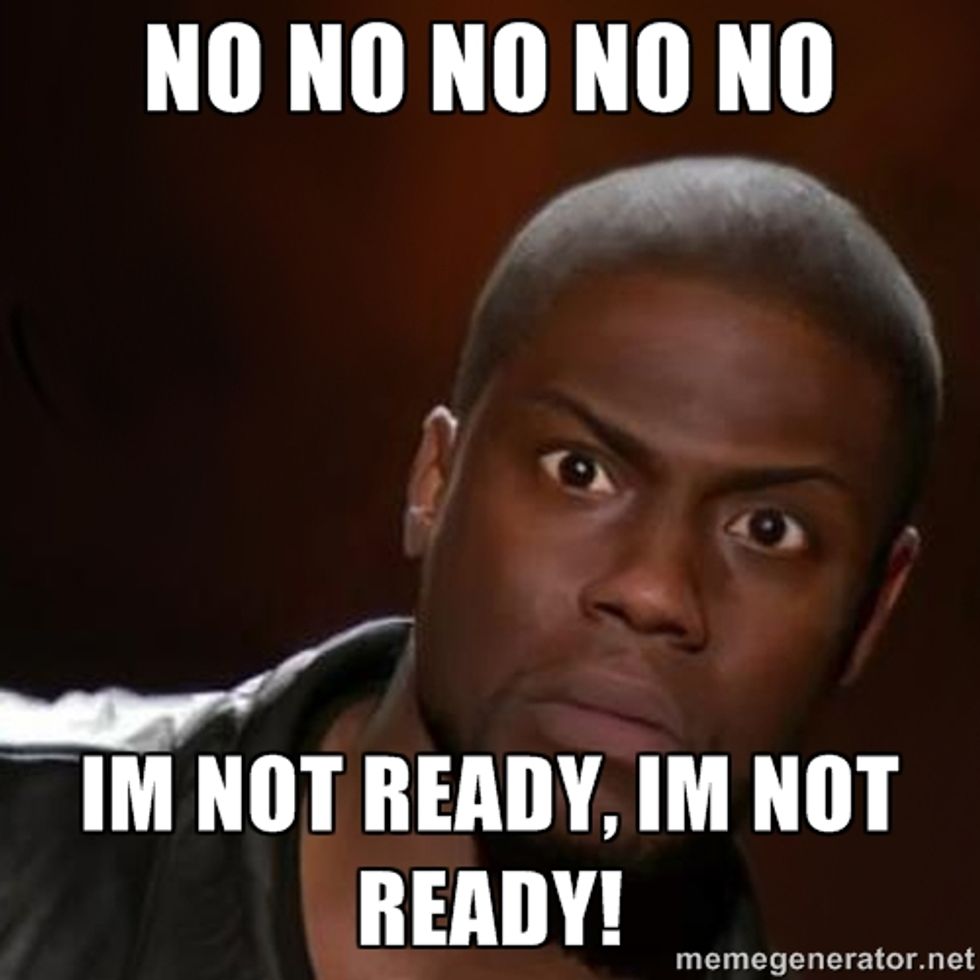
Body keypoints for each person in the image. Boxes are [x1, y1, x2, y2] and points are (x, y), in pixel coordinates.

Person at [0, 157, 942, 980]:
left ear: (873, 610)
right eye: (581, 472)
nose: (656, 591)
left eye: (769, 530)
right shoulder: (29, 844)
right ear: (434, 482)